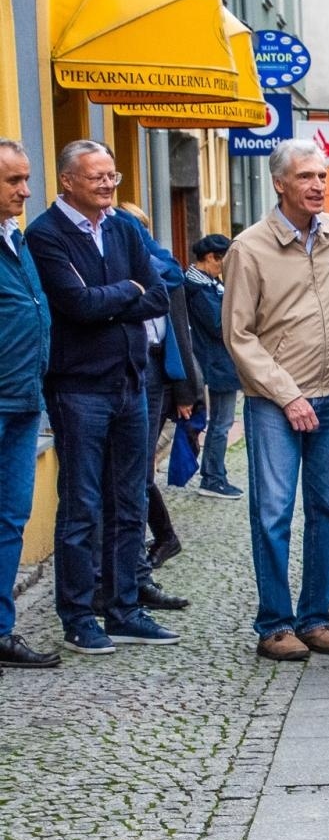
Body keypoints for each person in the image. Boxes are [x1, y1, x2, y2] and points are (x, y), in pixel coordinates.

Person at [27, 140, 178, 655]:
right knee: (82, 507)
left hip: (130, 382)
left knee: (129, 502)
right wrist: (127, 291)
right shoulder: (46, 234)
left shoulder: (124, 227)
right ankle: (78, 616)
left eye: (113, 175)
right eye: (98, 177)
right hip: (78, 389)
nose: (109, 184)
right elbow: (76, 305)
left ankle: (124, 609)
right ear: (68, 180)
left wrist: (117, 297)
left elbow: (159, 293)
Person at [223, 139, 329, 662]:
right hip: (275, 403)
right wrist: (287, 394)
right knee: (274, 513)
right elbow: (238, 335)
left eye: (322, 176)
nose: (317, 185)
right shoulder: (249, 248)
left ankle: (315, 619)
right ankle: (275, 624)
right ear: (279, 183)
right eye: (305, 177)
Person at [118, 203, 201, 605]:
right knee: (134, 473)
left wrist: (187, 392)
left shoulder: (166, 268)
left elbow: (179, 332)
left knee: (139, 472)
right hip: (132, 365)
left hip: (159, 374)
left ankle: (156, 548)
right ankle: (159, 542)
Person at [0, 140, 58, 668]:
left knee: (10, 517)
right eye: (13, 181)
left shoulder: (14, 237)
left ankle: (1, 630)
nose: (25, 191)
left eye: (26, 179)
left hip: (23, 399)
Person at [185, 234, 242, 500]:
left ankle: (213, 474)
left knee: (220, 421)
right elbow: (219, 325)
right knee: (221, 423)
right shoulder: (200, 288)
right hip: (217, 363)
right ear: (211, 258)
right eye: (224, 261)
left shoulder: (208, 284)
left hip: (219, 362)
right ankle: (212, 478)